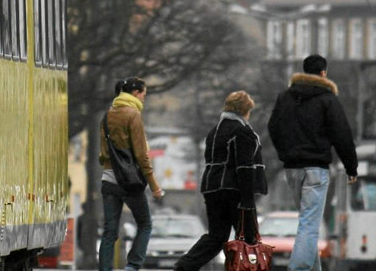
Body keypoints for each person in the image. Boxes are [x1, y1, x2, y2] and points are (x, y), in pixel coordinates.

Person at [267, 54, 359, 271]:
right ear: (323, 73)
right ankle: (299, 268)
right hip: (316, 169)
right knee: (309, 223)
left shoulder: (284, 97)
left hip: (292, 169)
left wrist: (286, 153)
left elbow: (273, 127)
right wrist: (351, 168)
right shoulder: (327, 99)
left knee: (306, 221)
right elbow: (342, 135)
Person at [175, 91, 268, 271]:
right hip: (235, 191)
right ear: (245, 110)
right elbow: (244, 166)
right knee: (249, 238)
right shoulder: (242, 131)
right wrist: (248, 199)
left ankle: (185, 265)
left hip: (211, 188)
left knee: (216, 237)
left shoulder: (214, 132)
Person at [99, 77, 165, 271]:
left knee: (109, 232)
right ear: (135, 93)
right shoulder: (133, 114)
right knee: (145, 225)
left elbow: (102, 155)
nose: (144, 99)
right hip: (129, 182)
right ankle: (132, 266)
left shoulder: (107, 115)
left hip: (108, 180)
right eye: (144, 94)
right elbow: (141, 154)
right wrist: (155, 186)